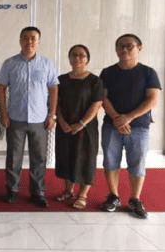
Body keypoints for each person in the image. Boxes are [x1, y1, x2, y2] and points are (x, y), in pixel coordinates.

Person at [99, 34, 161, 219]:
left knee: (137, 163)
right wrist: (117, 118)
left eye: (129, 46)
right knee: (110, 161)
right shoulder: (108, 72)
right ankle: (114, 196)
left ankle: (135, 199)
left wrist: (128, 117)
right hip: (112, 126)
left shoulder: (148, 73)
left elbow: (152, 99)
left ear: (139, 48)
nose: (124, 49)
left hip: (139, 127)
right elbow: (103, 98)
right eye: (120, 46)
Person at [0, 26, 58, 207]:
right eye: (25, 38)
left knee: (39, 157)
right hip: (15, 118)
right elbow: (1, 88)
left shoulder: (47, 64)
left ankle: (37, 192)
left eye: (33, 38)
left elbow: (53, 89)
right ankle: (12, 190)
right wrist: (4, 114)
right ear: (20, 41)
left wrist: (52, 114)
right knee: (13, 156)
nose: (29, 42)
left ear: (39, 42)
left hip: (40, 120)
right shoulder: (10, 63)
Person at [54, 44, 103, 209]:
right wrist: (61, 122)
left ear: (87, 59)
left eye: (81, 55)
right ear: (69, 59)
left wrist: (81, 124)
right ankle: (68, 190)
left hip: (86, 128)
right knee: (66, 157)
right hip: (65, 127)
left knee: (85, 159)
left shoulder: (95, 81)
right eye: (74, 55)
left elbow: (96, 104)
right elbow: (57, 103)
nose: (77, 58)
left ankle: (83, 195)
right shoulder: (61, 80)